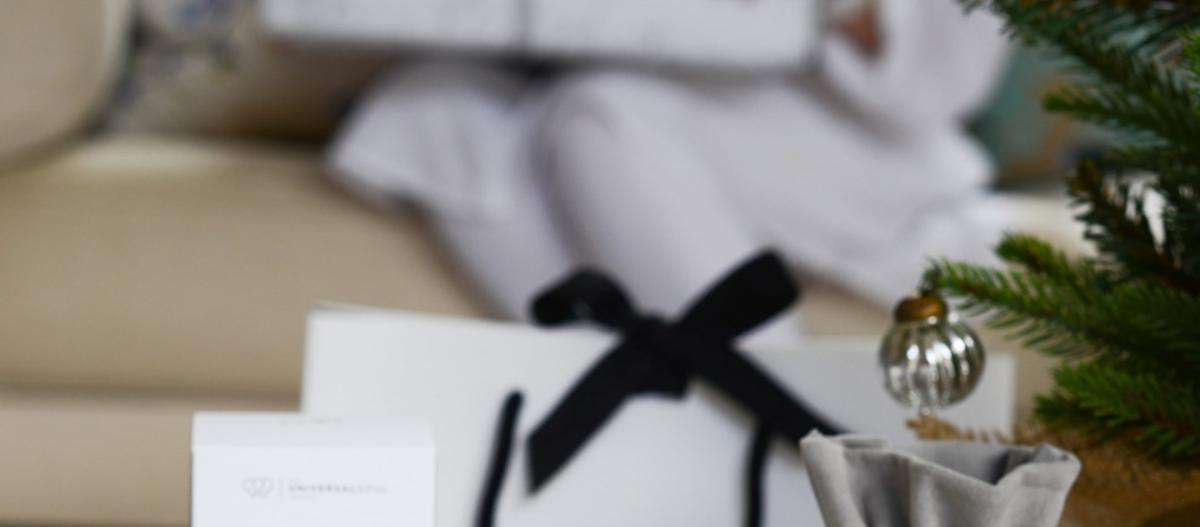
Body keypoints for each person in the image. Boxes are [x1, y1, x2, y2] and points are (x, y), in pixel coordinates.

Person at [329, 0, 1010, 329]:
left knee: (603, 118)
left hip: (827, 121)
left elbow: (947, 66)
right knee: (426, 114)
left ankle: (764, 414)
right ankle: (620, 393)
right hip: (563, 65)